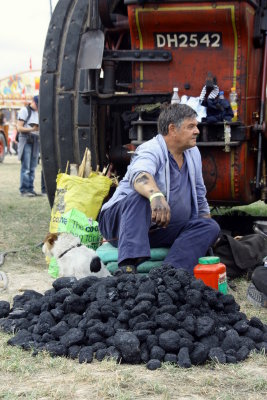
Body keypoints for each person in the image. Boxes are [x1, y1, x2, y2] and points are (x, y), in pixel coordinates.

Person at [98, 103, 220, 275]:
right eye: (191, 126)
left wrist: (206, 233)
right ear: (172, 129)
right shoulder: (150, 149)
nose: (197, 131)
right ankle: (128, 267)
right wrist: (155, 195)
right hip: (120, 225)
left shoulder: (194, 153)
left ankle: (169, 274)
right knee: (140, 196)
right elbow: (140, 174)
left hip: (158, 229)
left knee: (210, 226)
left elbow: (199, 197)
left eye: (196, 126)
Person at [17, 96, 40, 197]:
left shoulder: (39, 112)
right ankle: (24, 189)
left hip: (36, 139)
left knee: (33, 166)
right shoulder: (25, 110)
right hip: (26, 138)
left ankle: (30, 188)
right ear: (33, 102)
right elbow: (19, 128)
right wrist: (32, 129)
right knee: (26, 166)